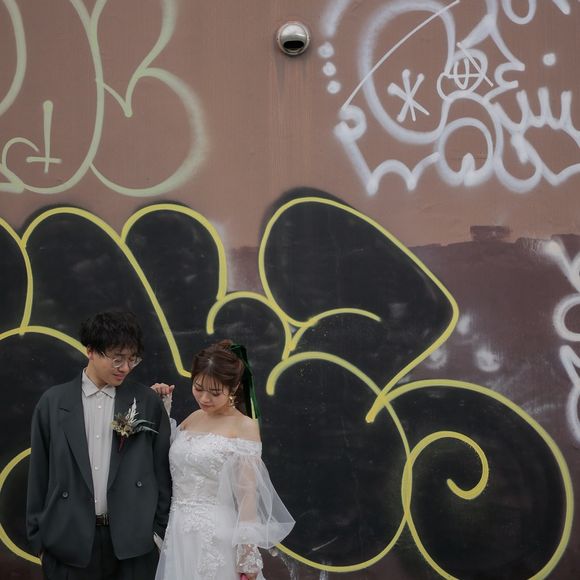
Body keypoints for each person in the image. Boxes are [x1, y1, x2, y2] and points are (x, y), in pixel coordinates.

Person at [26, 311, 172, 580]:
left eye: (132, 359)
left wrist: (157, 535)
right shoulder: (53, 403)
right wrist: (40, 542)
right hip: (68, 544)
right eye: (117, 358)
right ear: (91, 351)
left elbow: (162, 472)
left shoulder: (146, 402)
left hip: (134, 545)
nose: (125, 367)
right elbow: (38, 475)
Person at [151, 340, 295, 580]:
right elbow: (168, 458)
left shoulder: (244, 426)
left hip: (216, 535)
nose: (204, 398)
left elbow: (247, 495)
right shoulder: (194, 417)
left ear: (234, 387)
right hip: (178, 531)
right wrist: (161, 409)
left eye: (215, 392)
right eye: (198, 388)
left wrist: (247, 553)